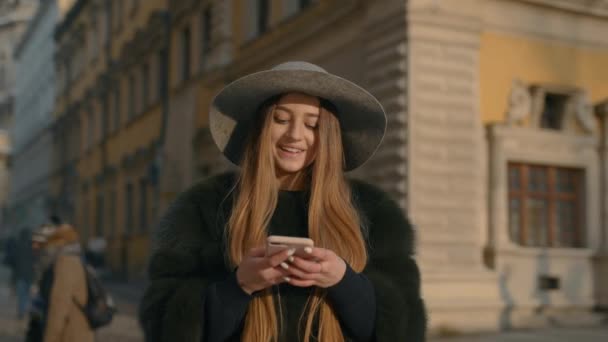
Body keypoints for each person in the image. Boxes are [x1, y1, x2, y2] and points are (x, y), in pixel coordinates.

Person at [139, 61, 426, 341]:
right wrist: (240, 286)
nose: (295, 135)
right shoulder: (202, 208)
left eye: (312, 125)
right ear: (260, 127)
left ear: (328, 136)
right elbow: (163, 323)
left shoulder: (375, 213)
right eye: (281, 119)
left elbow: (403, 327)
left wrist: (344, 281)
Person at [36, 224, 94, 342]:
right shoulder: (76, 260)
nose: (49, 247)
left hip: (70, 333)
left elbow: (59, 307)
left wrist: (50, 338)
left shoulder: (66, 264)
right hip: (78, 331)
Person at [15, 228, 35, 319]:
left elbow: (15, 261)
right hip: (30, 274)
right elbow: (35, 260)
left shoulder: (18, 246)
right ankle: (24, 309)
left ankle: (21, 311)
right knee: (26, 294)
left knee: (21, 294)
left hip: (20, 274)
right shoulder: (33, 246)